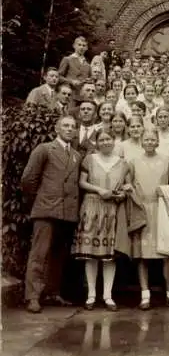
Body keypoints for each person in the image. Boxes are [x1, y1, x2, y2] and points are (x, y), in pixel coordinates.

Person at [21, 116, 81, 313]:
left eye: (73, 126)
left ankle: (53, 293)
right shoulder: (45, 149)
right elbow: (29, 179)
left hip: (67, 213)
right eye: (66, 125)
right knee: (39, 254)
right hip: (46, 210)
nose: (70, 129)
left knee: (59, 255)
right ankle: (33, 297)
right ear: (57, 129)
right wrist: (39, 202)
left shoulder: (76, 155)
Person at [72, 129, 132, 311]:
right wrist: (99, 190)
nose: (106, 142)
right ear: (97, 142)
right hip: (91, 207)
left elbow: (127, 186)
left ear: (114, 141)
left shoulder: (123, 164)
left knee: (109, 256)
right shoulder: (90, 159)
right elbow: (82, 182)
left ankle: (107, 295)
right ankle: (91, 295)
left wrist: (121, 194)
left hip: (112, 209)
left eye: (109, 139)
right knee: (90, 254)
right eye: (102, 139)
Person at [129, 129, 169, 310]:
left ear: (157, 142)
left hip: (162, 210)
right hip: (142, 210)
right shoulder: (133, 162)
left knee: (167, 254)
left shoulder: (167, 160)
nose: (149, 142)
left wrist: (165, 193)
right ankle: (145, 295)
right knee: (142, 256)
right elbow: (129, 184)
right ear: (142, 142)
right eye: (146, 139)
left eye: (152, 139)